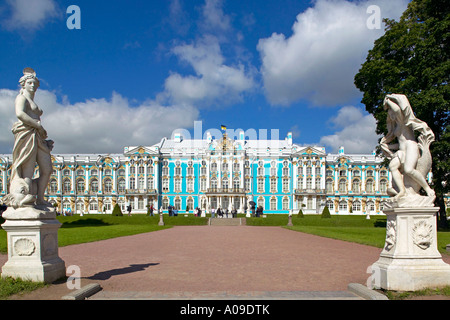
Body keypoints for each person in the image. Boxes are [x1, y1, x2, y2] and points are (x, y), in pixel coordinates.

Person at [6, 68, 54, 208]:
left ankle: (40, 199)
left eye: (35, 83)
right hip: (27, 132)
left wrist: (42, 135)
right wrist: (38, 126)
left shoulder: (31, 100)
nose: (33, 86)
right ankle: (26, 198)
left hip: (37, 135)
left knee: (47, 169)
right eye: (30, 83)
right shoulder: (21, 98)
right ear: (23, 84)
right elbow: (20, 114)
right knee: (28, 168)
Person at [381, 94, 435, 200]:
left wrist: (388, 101)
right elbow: (400, 143)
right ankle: (402, 191)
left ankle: (428, 189)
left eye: (391, 111)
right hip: (402, 150)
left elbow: (397, 110)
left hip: (411, 146)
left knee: (409, 169)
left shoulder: (403, 121)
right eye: (389, 113)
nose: (390, 114)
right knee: (392, 167)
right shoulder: (395, 127)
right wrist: (386, 146)